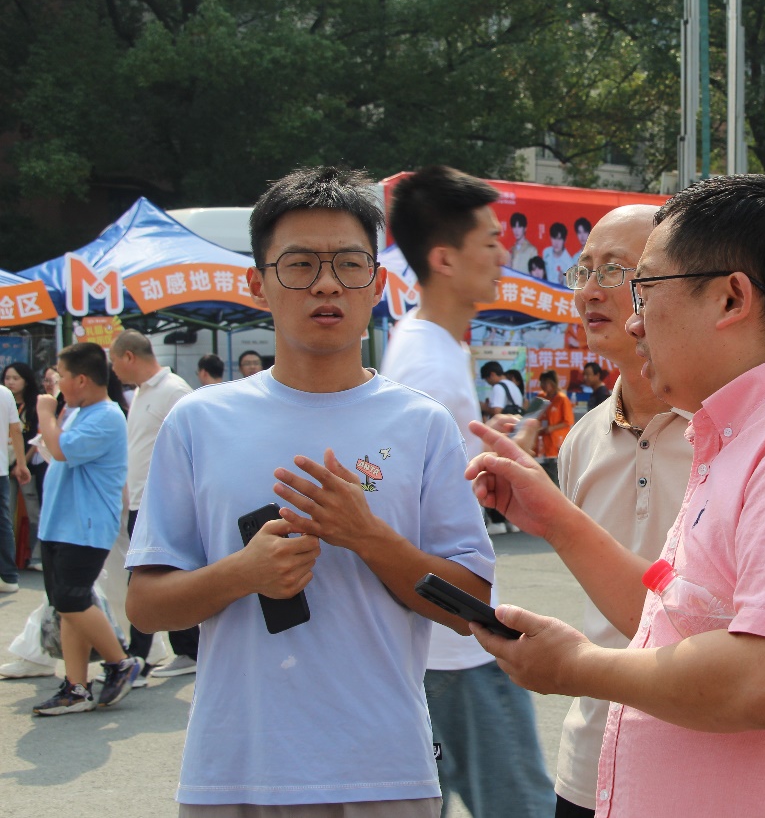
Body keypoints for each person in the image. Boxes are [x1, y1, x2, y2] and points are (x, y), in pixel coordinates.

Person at [465, 174, 765, 817]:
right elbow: (673, 621)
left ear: (730, 298)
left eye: (643, 287)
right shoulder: (744, 432)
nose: (633, 321)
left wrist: (577, 667)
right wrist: (553, 516)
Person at [125, 166, 496, 814]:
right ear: (258, 284)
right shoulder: (199, 422)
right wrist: (243, 572)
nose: (327, 284)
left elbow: (471, 607)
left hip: (385, 775)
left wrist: (368, 537)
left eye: (349, 264)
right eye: (299, 265)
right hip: (235, 773)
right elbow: (146, 606)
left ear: (376, 284)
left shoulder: (421, 425)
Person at [381, 165, 555, 818]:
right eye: (489, 241)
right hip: (459, 642)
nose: (503, 254)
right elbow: (406, 510)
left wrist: (487, 448)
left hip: (445, 638)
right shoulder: (429, 365)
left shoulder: (426, 346)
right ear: (444, 259)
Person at [553, 205, 695, 817]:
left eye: (615, 270)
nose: (590, 290)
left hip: (702, 773)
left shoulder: (730, 433)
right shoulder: (581, 442)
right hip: (589, 767)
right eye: (584, 270)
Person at [30, 343, 137, 714]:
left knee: (71, 600)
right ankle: (76, 687)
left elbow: (60, 449)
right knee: (67, 606)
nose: (56, 383)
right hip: (60, 524)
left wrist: (45, 412)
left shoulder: (106, 415)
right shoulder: (81, 412)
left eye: (60, 375)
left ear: (80, 379)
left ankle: (120, 662)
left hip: (85, 526)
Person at [109, 330, 199, 684]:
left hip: (161, 502)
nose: (113, 370)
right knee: (155, 576)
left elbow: (194, 446)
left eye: (114, 362)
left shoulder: (174, 391)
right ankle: (185, 650)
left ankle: (138, 657)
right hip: (138, 500)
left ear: (129, 356)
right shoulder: (140, 393)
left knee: (145, 577)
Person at [5, 362, 45, 570]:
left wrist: (23, 462)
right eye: (7, 378)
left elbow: (37, 437)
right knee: (6, 512)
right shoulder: (4, 401)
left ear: (26, 381)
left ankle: (37, 556)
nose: (10, 382)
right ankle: (7, 560)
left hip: (27, 465)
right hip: (5, 464)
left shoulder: (34, 404)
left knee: (34, 511)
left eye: (15, 378)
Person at [0, 373, 32, 594]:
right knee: (3, 522)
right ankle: (8, 575)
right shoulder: (5, 394)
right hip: (1, 469)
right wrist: (21, 463)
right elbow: (16, 431)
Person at [536, 370, 573, 486]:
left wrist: (551, 428)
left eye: (545, 382)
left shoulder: (562, 399)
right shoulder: (541, 397)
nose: (543, 385)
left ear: (552, 383)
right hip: (541, 444)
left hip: (556, 443)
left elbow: (568, 421)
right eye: (541, 382)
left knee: (555, 476)